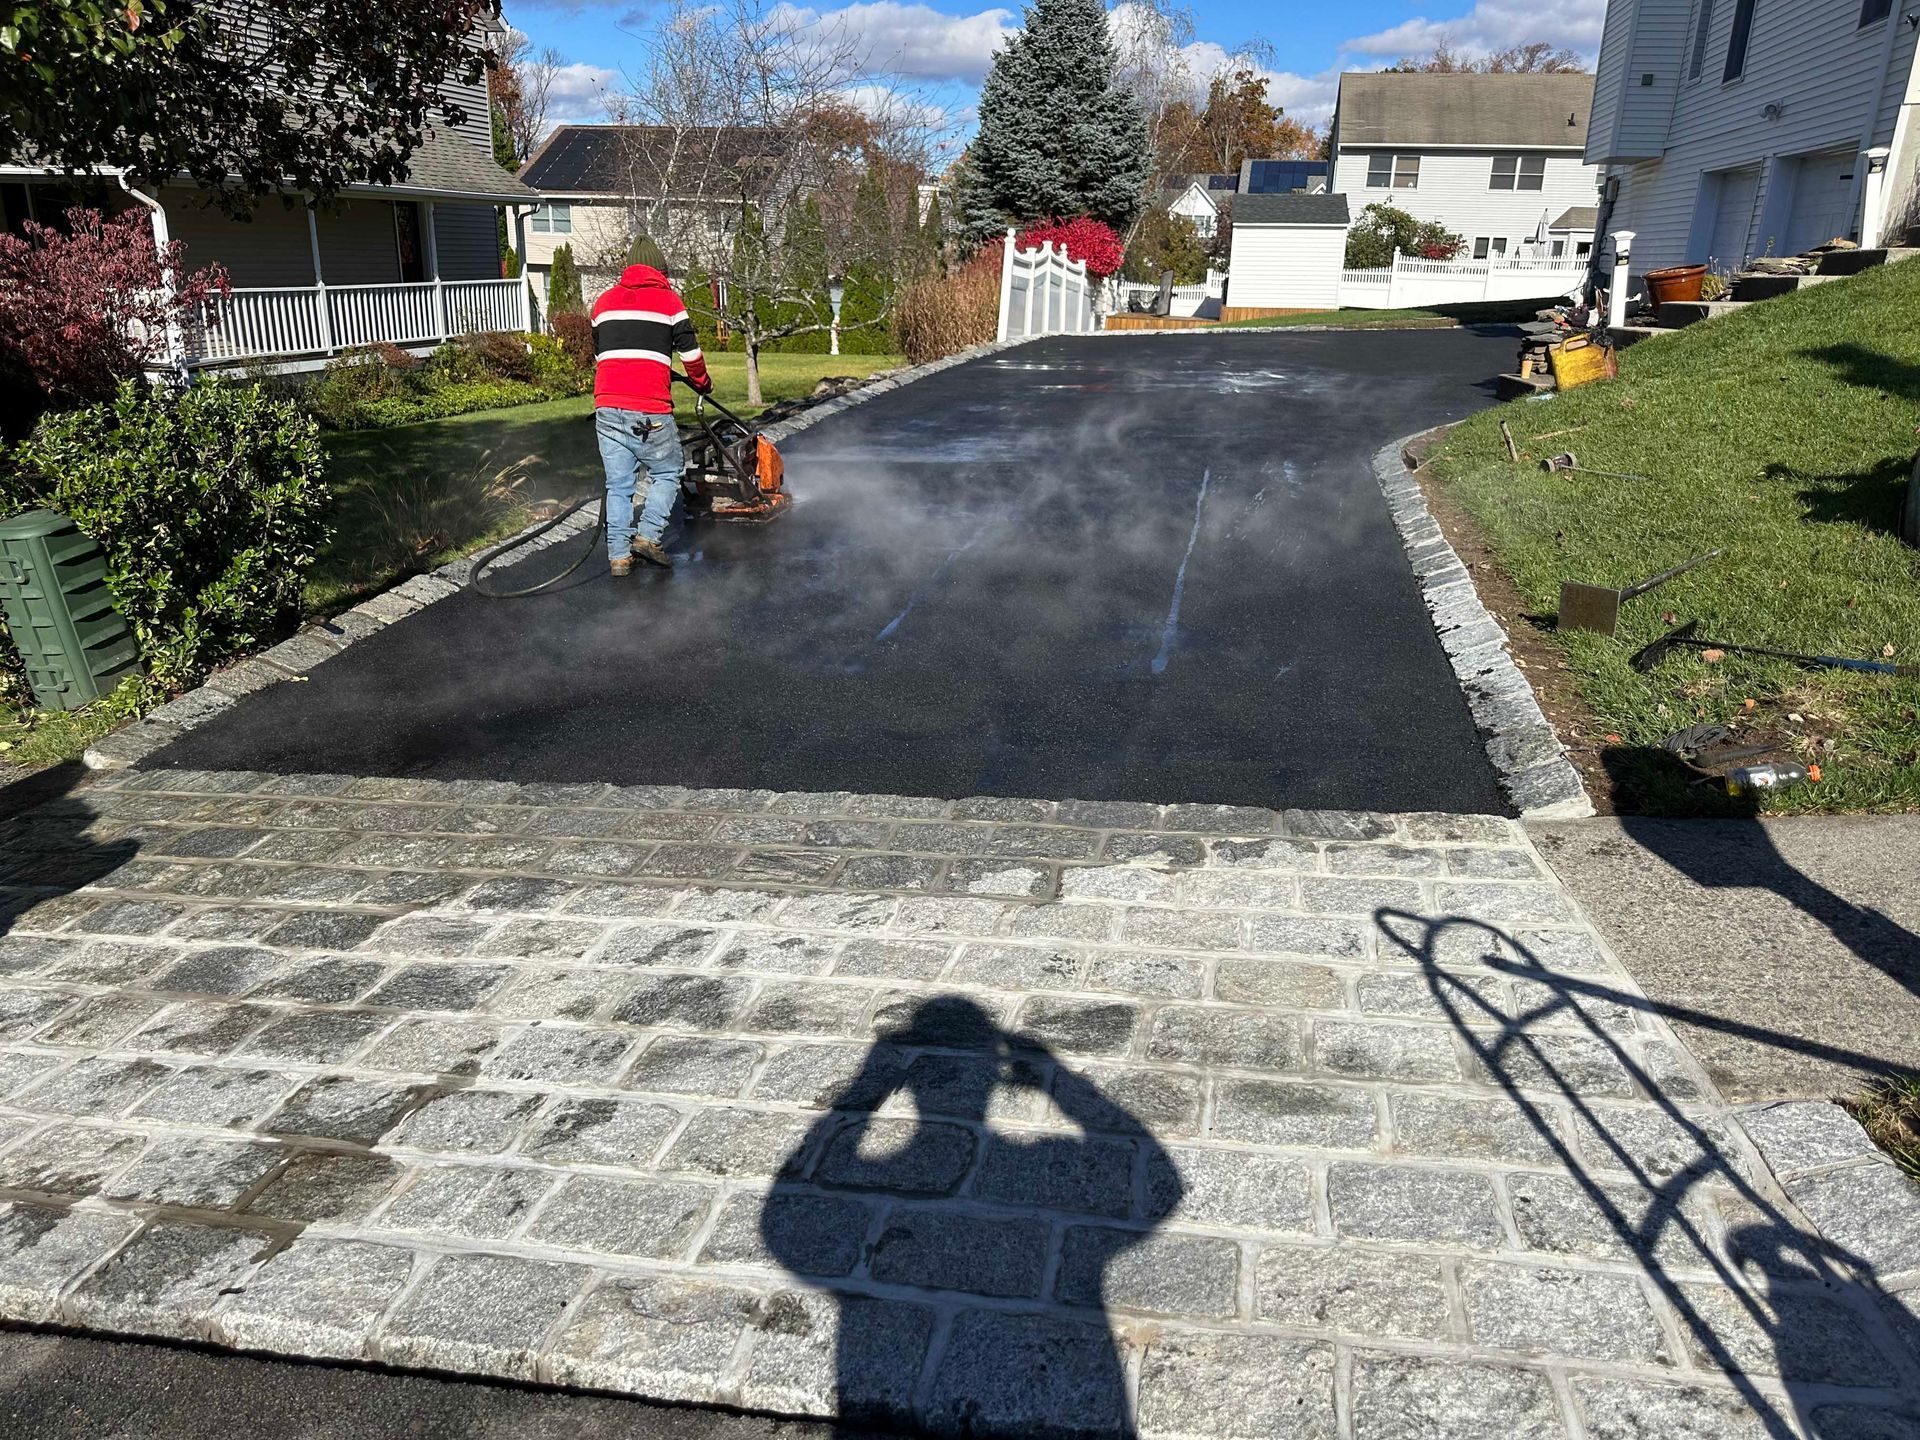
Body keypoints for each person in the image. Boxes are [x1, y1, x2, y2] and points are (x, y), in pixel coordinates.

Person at [589, 261, 712, 575]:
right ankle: (647, 537)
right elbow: (691, 356)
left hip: (607, 406)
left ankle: (618, 557)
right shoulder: (669, 302)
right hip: (649, 409)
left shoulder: (603, 302)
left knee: (618, 485)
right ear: (660, 272)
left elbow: (601, 354)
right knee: (668, 471)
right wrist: (702, 383)